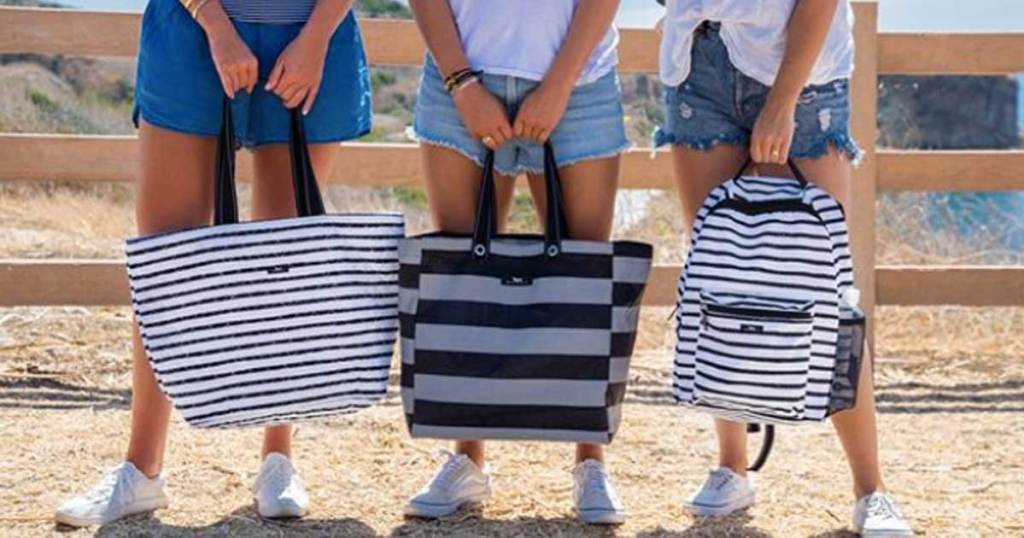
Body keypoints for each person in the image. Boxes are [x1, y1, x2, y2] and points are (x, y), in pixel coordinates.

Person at [54, 0, 371, 526]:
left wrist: (316, 36)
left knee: (285, 264)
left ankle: (277, 458)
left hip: (312, 36)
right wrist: (217, 25)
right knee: (165, 261)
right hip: (193, 32)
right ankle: (141, 470)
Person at [655, 1, 913, 536]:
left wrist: (783, 99)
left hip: (801, 72)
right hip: (697, 60)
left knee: (831, 290)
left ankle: (871, 490)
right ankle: (732, 466)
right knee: (717, 276)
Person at [403, 0, 630, 525]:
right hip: (458, 82)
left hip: (580, 85)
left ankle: (590, 461)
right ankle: (466, 457)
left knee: (586, 278)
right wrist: (461, 82)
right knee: (462, 274)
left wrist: (558, 85)